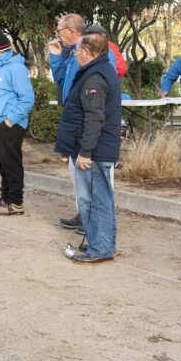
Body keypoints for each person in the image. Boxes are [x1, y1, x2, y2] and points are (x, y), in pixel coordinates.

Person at [54, 33, 122, 264]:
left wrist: (85, 152)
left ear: (88, 53)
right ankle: (102, 243)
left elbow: (94, 118)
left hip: (93, 151)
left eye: (78, 49)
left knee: (92, 200)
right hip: (97, 148)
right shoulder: (100, 71)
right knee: (99, 198)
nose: (74, 53)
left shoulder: (94, 78)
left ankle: (100, 248)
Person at [0, 31, 35, 216]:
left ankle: (16, 202)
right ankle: (5, 198)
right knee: (1, 163)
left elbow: (27, 99)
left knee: (11, 163)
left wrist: (9, 120)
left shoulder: (15, 68)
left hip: (10, 124)